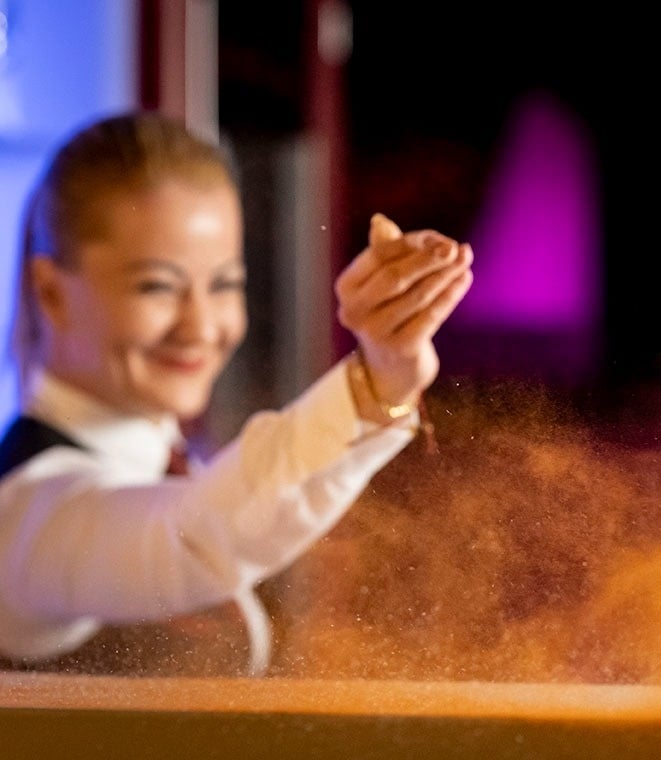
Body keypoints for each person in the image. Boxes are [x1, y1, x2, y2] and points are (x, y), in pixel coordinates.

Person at [0, 111, 474, 676]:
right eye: (157, 286)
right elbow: (189, 538)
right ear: (50, 292)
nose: (201, 326)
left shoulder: (189, 465)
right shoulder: (25, 518)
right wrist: (375, 382)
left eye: (224, 284)